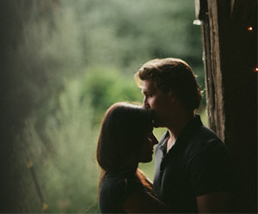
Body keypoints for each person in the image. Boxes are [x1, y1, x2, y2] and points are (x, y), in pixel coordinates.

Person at [136, 57, 232, 213]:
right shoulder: (163, 142)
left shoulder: (206, 151)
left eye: (150, 95)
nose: (144, 104)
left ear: (172, 95)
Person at [96, 102, 171, 213]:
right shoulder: (124, 189)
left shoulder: (126, 179)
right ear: (130, 141)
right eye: (148, 135)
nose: (155, 141)